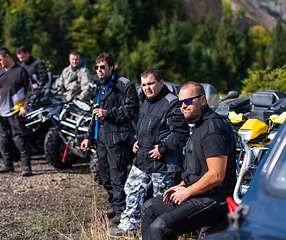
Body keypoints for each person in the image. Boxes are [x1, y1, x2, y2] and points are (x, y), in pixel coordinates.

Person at [141, 81, 237, 240]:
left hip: (215, 198)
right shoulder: (199, 125)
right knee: (148, 209)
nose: (183, 106)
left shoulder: (213, 129)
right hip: (198, 191)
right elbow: (199, 168)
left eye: (188, 101)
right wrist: (182, 185)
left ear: (203, 101)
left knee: (162, 227)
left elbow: (216, 175)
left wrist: (188, 192)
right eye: (180, 103)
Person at [107, 68, 190, 237]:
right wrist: (138, 141)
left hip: (163, 163)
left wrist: (163, 148)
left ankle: (158, 232)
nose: (147, 88)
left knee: (161, 201)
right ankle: (127, 228)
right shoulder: (146, 100)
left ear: (161, 83)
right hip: (143, 158)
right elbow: (145, 126)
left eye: (151, 83)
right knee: (132, 191)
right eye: (144, 84)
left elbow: (181, 132)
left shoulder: (172, 102)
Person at [81, 53, 139, 223]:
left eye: (102, 67)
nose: (99, 70)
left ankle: (122, 210)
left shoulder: (124, 85)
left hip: (117, 137)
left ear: (111, 67)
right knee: (104, 175)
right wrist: (88, 137)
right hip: (101, 138)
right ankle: (115, 205)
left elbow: (132, 111)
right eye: (97, 67)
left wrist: (109, 113)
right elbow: (95, 115)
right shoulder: (98, 86)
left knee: (117, 174)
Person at [0, 47, 33, 177]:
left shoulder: (21, 71)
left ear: (7, 56)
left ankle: (26, 166)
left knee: (20, 139)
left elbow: (30, 91)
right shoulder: (0, 72)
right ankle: (7, 165)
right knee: (3, 139)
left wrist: (26, 107)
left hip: (17, 111)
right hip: (2, 112)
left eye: (0, 60)